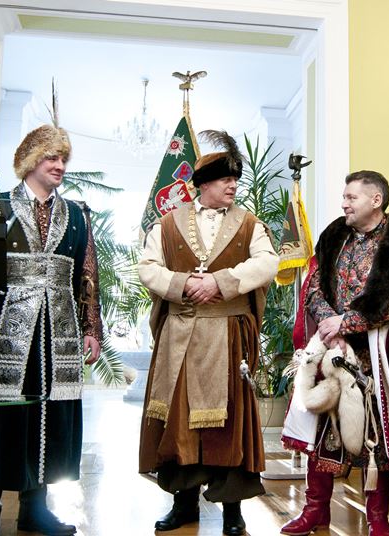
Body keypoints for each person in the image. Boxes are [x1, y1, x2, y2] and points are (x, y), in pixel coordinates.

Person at [0, 123, 102, 536]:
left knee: (49, 415)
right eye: (51, 157)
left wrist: (91, 327)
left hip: (58, 331)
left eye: (63, 158)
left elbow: (88, 275)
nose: (59, 165)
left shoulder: (77, 215)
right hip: (6, 328)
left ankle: (34, 509)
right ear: (29, 160)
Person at [138, 130, 279, 536]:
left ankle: (233, 512)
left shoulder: (250, 224)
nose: (233, 186)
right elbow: (148, 267)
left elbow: (267, 263)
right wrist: (184, 284)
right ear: (203, 185)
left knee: (230, 423)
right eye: (225, 180)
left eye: (235, 180)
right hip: (180, 338)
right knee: (181, 421)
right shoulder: (167, 224)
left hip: (228, 337)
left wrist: (220, 281)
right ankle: (184, 505)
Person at [281, 170, 389, 536]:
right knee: (321, 430)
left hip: (378, 355)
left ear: (375, 200)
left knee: (375, 437)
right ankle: (315, 509)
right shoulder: (334, 235)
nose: (344, 204)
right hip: (330, 348)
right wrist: (330, 325)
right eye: (344, 197)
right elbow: (313, 286)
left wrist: (346, 323)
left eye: (351, 197)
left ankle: (376, 517)